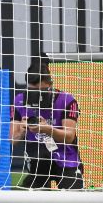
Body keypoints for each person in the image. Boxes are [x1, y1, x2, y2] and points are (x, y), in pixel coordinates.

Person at [10, 54, 84, 189]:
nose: (37, 96)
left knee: (74, 196)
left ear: (50, 85)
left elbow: (69, 136)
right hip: (37, 162)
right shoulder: (19, 101)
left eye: (41, 92)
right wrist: (22, 129)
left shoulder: (67, 100)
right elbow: (12, 139)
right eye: (32, 91)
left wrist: (48, 129)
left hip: (66, 160)